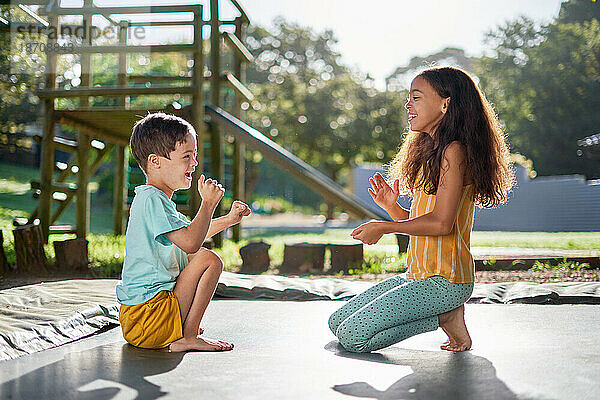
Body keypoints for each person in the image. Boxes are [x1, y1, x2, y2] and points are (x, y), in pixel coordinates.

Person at [329, 67, 514, 353]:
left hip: (445, 282)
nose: (408, 105)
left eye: (416, 97)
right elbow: (423, 225)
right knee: (336, 322)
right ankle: (447, 315)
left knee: (353, 336)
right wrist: (393, 209)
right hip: (418, 275)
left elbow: (442, 224)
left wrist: (385, 227)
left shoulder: (455, 151)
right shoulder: (432, 150)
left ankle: (445, 315)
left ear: (445, 103)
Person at [116, 112, 251, 352]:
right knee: (208, 258)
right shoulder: (152, 200)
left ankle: (181, 329)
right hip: (147, 319)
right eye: (186, 156)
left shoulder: (155, 200)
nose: (194, 163)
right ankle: (187, 336)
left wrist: (229, 219)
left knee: (198, 255)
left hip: (144, 319)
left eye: (195, 156)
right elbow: (190, 242)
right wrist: (207, 204)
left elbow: (192, 233)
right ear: (155, 161)